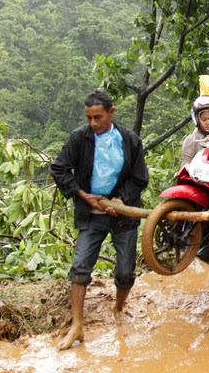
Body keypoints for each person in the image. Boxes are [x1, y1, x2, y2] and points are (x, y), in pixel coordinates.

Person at [49, 89, 149, 350]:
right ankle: (77, 325)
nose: (93, 123)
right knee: (80, 267)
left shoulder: (129, 139)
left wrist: (121, 200)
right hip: (90, 214)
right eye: (89, 118)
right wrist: (83, 195)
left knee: (125, 271)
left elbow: (140, 178)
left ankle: (118, 308)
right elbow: (59, 169)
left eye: (98, 117)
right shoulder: (79, 138)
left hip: (123, 215)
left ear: (111, 112)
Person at [180, 95, 209, 167]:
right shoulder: (191, 140)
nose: (208, 123)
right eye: (204, 120)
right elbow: (184, 168)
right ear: (197, 120)